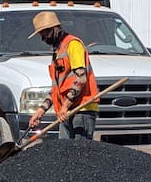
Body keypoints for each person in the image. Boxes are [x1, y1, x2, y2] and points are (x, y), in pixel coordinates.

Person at [26, 11, 99, 139]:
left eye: (44, 34)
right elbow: (57, 89)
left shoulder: (73, 45)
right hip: (65, 112)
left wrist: (65, 106)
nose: (43, 39)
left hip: (81, 110)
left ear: (55, 29)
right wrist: (41, 110)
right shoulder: (58, 52)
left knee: (79, 155)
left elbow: (81, 79)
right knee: (64, 155)